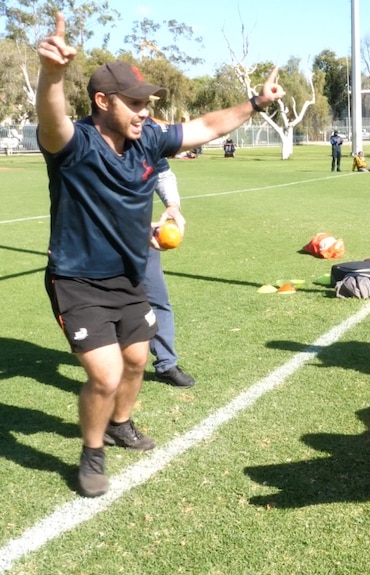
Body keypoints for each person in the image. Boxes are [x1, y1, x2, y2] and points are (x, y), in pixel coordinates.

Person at [37, 12, 285, 497]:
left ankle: (120, 424)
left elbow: (207, 125)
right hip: (78, 279)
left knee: (134, 362)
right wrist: (53, 75)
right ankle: (92, 453)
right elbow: (52, 117)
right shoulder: (73, 145)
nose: (145, 111)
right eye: (134, 103)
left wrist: (255, 102)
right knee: (105, 375)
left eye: (147, 102)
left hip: (130, 276)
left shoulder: (147, 138)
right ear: (103, 102)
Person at [142, 159, 196, 389]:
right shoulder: (88, 142)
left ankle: (166, 365)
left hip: (142, 241)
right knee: (107, 306)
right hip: (97, 243)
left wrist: (172, 204)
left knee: (158, 302)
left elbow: (163, 173)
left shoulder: (146, 139)